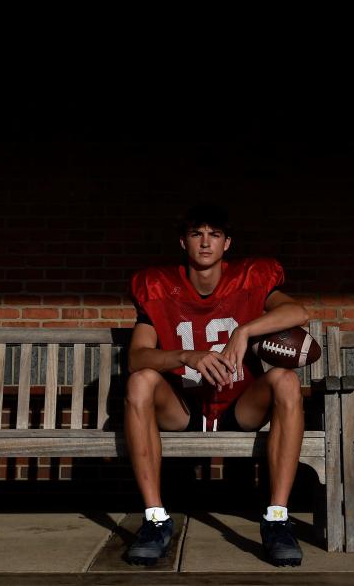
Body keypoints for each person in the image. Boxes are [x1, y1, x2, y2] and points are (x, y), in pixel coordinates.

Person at [123, 203, 309, 567]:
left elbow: (299, 312)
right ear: (183, 242)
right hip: (183, 408)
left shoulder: (252, 279)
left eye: (215, 235)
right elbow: (136, 357)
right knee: (140, 382)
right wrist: (185, 356)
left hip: (241, 404)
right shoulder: (158, 286)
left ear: (227, 244)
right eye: (196, 234)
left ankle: (276, 519)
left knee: (286, 380)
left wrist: (245, 330)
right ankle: (155, 519)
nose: (205, 242)